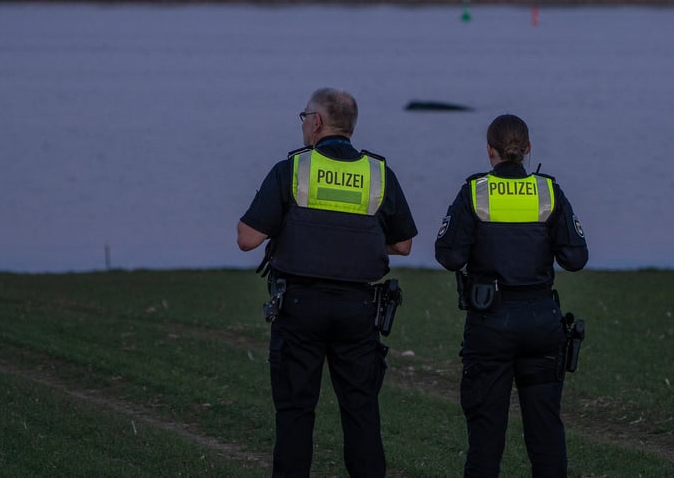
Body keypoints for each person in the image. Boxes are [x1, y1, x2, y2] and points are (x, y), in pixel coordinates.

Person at [237, 87, 418, 478]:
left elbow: (247, 238)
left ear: (317, 122)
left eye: (304, 116)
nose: (303, 123)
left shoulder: (293, 169)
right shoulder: (377, 173)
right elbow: (403, 243)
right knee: (361, 410)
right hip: (358, 310)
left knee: (295, 411)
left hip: (300, 306)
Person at [435, 114, 588, 478]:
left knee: (486, 436)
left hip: (490, 321)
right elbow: (576, 257)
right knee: (546, 432)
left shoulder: (475, 191)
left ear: (489, 150)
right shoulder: (548, 191)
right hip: (541, 321)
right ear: (528, 149)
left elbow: (449, 255)